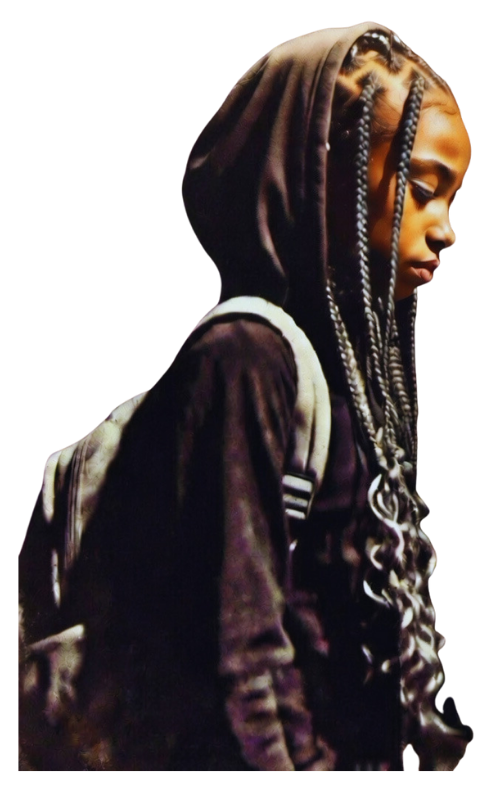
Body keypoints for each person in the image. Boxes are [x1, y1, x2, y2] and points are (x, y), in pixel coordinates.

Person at [18, 22, 474, 779]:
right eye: (423, 190)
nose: (446, 231)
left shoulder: (343, 377)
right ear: (322, 171)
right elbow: (241, 655)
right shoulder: (245, 359)